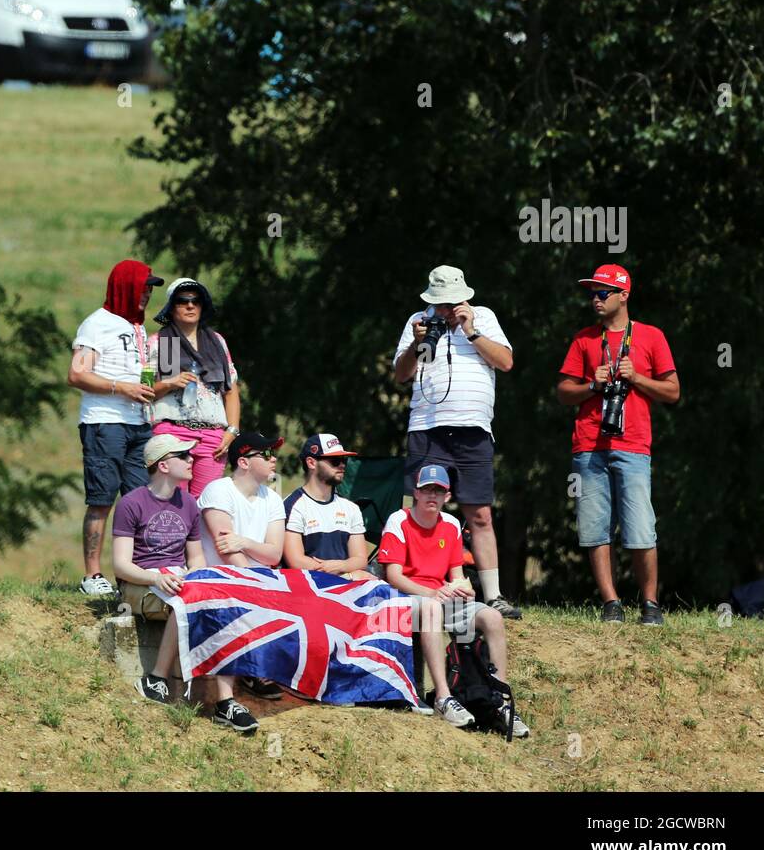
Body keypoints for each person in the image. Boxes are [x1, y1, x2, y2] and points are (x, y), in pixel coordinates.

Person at [392, 264, 521, 620]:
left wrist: (472, 331)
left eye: (451, 304)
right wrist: (418, 343)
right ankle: (409, 583)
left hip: (473, 429)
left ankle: (493, 594)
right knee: (420, 506)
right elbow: (402, 375)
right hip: (427, 426)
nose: (445, 310)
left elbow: (506, 362)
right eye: (440, 304)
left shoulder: (483, 317)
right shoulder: (418, 320)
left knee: (479, 512)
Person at [556, 264, 679, 626]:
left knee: (641, 526)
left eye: (602, 293)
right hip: (589, 444)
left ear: (623, 295)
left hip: (634, 443)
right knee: (595, 526)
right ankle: (611, 603)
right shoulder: (583, 340)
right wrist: (591, 386)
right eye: (592, 293)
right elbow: (563, 392)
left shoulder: (652, 337)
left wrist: (637, 377)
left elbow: (673, 391)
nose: (595, 299)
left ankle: (651, 604)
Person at [114, 434, 259, 733]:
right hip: (140, 583)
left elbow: (195, 559)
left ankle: (225, 703)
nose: (193, 460)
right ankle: (155, 678)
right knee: (185, 601)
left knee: (222, 603)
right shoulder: (131, 503)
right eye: (184, 456)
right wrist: (157, 577)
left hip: (178, 581)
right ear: (163, 465)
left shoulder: (189, 503)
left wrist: (195, 576)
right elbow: (121, 565)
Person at [378, 465, 529, 737]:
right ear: (416, 492)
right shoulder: (398, 521)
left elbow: (457, 575)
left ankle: (501, 699)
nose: (431, 496)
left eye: (438, 491)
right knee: (434, 608)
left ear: (447, 496)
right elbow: (393, 576)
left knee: (491, 617)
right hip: (405, 599)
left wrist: (464, 589)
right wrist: (432, 593)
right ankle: (443, 698)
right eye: (426, 490)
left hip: (441, 597)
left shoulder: (450, 525)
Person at [66, 259, 163, 598]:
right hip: (104, 421)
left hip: (139, 424)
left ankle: (133, 575)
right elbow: (77, 374)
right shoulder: (97, 323)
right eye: (142, 287)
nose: (147, 295)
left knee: (140, 502)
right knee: (102, 498)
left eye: (150, 289)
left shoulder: (139, 328)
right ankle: (92, 575)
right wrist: (121, 388)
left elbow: (141, 377)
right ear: (124, 286)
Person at [197, 431, 287, 702]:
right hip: (221, 576)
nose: (274, 460)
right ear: (244, 462)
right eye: (266, 454)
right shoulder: (218, 490)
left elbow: (274, 553)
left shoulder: (272, 499)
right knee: (252, 595)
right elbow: (226, 551)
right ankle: (252, 672)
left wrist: (244, 541)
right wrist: (256, 577)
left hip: (261, 575)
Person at [146, 277, 241, 497]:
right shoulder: (160, 341)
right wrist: (170, 382)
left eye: (196, 300)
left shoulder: (217, 341)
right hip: (172, 432)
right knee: (173, 502)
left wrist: (232, 431)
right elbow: (144, 390)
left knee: (206, 504)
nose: (190, 305)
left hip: (213, 436)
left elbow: (231, 390)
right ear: (171, 307)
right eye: (182, 301)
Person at [282, 434, 375, 580]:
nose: (342, 465)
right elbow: (296, 561)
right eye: (335, 461)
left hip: (343, 583)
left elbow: (360, 559)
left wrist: (340, 568)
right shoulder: (293, 505)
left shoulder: (351, 508)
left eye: (344, 460)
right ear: (311, 463)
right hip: (308, 585)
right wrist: (346, 574)